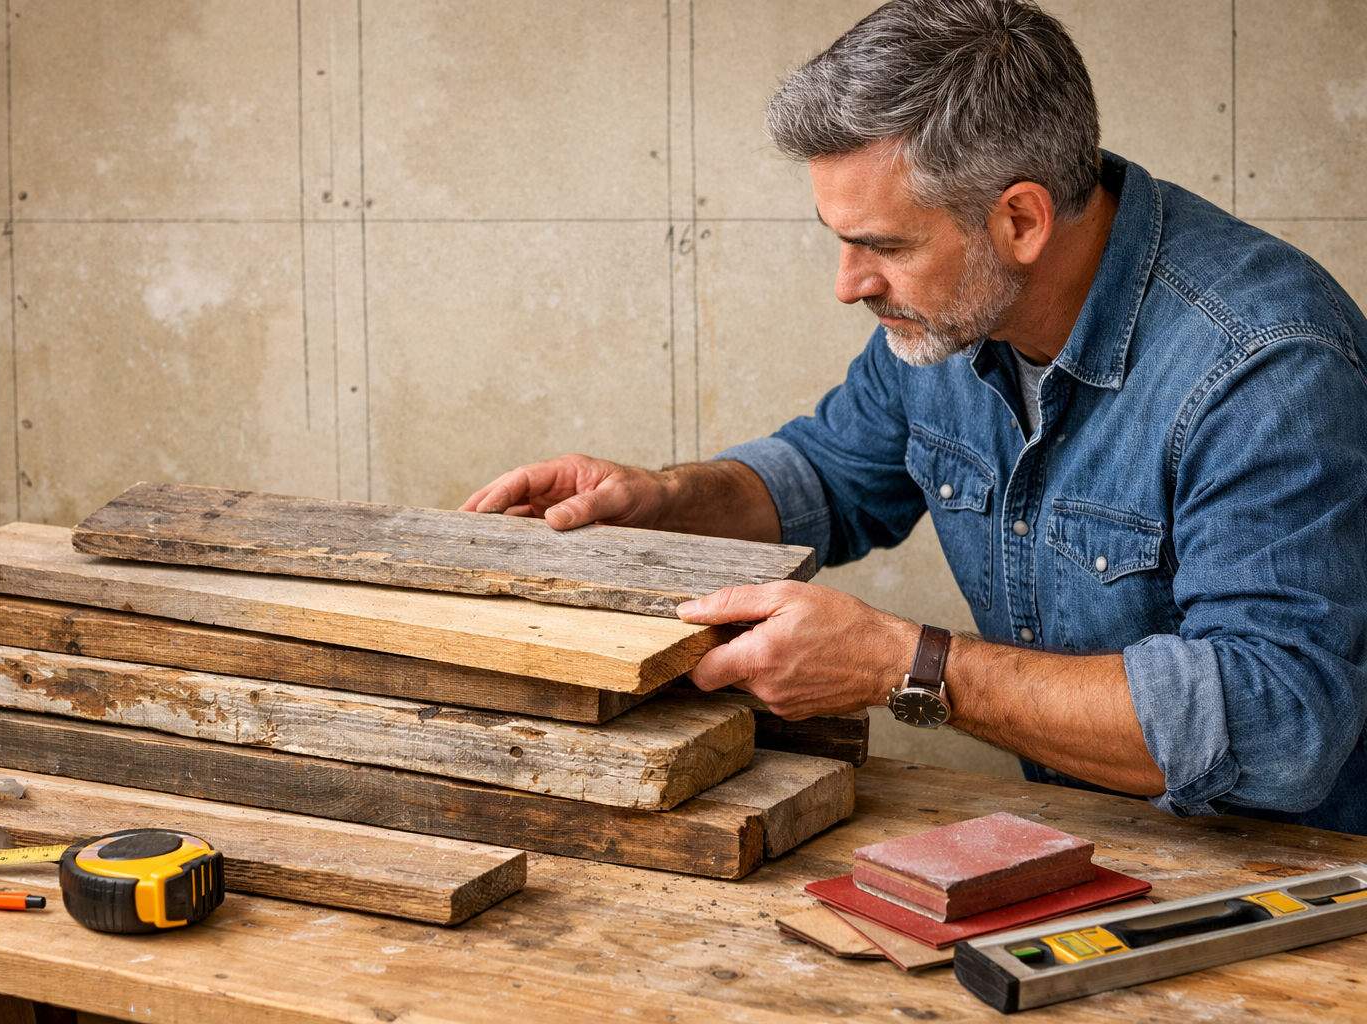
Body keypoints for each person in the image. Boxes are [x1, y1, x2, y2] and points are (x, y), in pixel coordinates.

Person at [462, 0, 1367, 835]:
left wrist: (908, 666)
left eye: (883, 247)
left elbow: (1279, 720)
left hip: (1304, 894)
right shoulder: (952, 317)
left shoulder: (1264, 367)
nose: (849, 285)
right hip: (1098, 852)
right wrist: (662, 498)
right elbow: (827, 477)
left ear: (1020, 220)